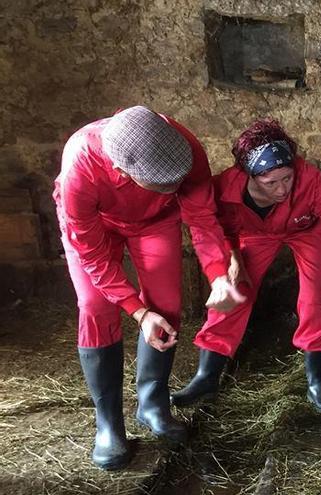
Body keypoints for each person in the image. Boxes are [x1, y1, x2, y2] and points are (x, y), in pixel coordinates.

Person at [55, 106, 245, 470]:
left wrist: (219, 274)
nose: (175, 188)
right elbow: (92, 255)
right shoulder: (81, 164)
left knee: (167, 303)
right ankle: (108, 422)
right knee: (96, 307)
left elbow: (202, 218)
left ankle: (152, 402)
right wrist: (137, 311)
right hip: (95, 226)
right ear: (122, 170)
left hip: (154, 221)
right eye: (163, 184)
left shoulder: (184, 148)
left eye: (178, 180)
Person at [171, 118, 321, 413]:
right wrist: (233, 259)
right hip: (255, 234)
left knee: (314, 297)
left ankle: (316, 380)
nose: (282, 189)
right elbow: (217, 228)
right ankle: (206, 376)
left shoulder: (309, 178)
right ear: (249, 175)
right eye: (270, 182)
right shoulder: (225, 186)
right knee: (235, 292)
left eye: (287, 178)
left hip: (305, 230)